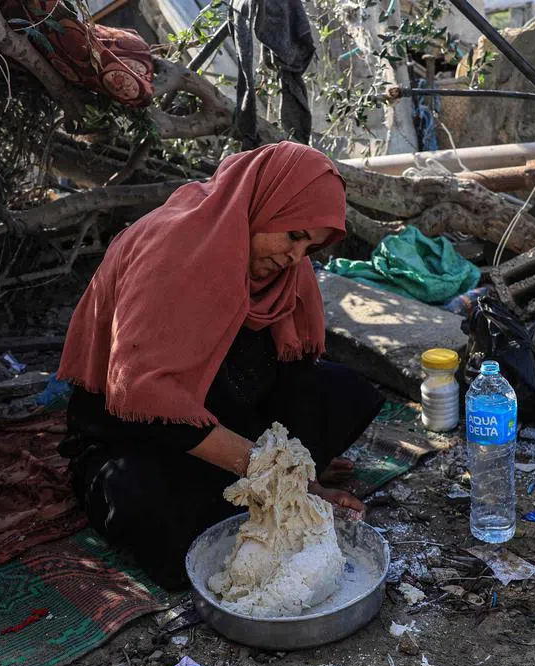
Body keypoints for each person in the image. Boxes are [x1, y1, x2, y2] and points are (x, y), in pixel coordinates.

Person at [57, 142, 385, 589]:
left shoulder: (286, 268)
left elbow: (296, 374)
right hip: (136, 433)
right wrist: (270, 474)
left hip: (225, 408)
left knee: (346, 393)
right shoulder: (173, 248)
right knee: (150, 508)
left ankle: (243, 488)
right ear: (265, 203)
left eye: (310, 247)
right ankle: (239, 491)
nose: (294, 257)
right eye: (293, 235)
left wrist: (303, 481)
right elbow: (147, 396)